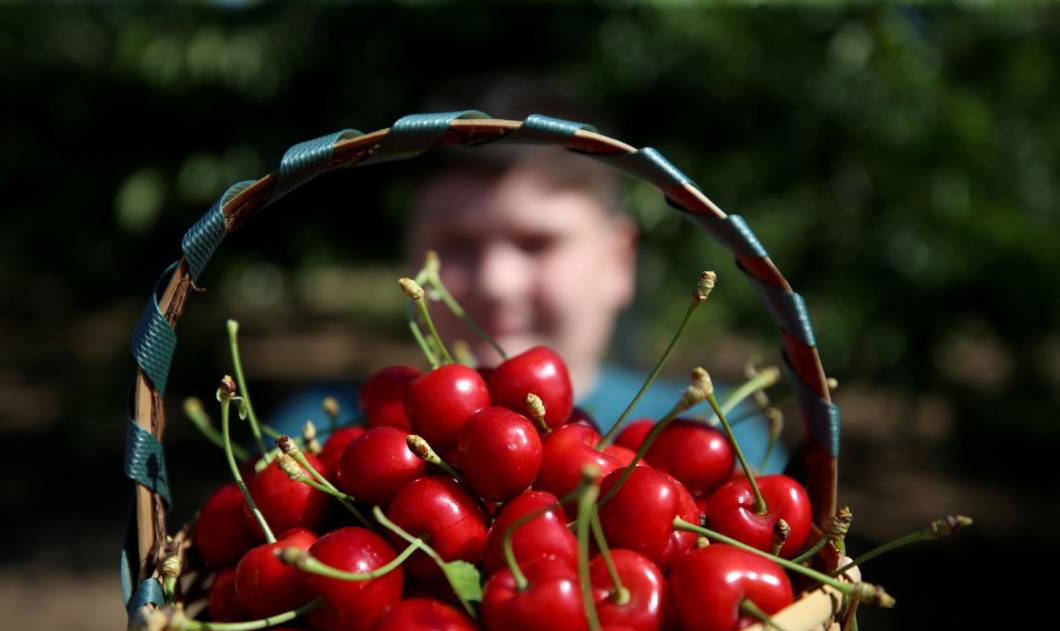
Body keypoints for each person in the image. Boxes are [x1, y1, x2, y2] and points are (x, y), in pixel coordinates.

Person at [271, 84, 784, 470]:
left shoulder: (718, 438)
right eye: (457, 243)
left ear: (618, 261)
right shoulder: (320, 433)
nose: (497, 281)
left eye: (539, 242)